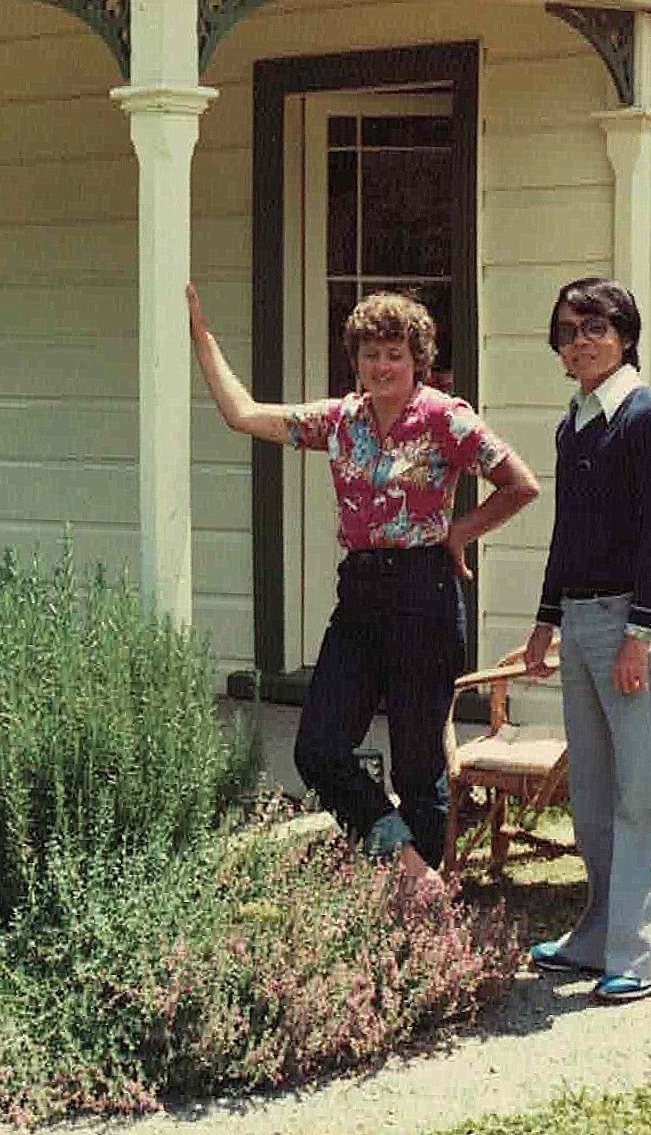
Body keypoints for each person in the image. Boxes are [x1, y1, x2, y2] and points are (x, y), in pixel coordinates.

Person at [187, 283, 538, 883]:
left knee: (417, 763)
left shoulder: (445, 419)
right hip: (360, 597)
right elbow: (242, 415)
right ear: (356, 360)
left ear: (417, 358)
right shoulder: (342, 420)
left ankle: (420, 911)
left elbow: (520, 484)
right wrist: (200, 335)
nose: (381, 366)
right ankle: (410, 869)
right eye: (370, 354)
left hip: (423, 595)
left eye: (394, 354)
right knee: (318, 748)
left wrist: (457, 535)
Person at [524, 277, 651, 1002]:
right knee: (590, 791)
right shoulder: (576, 423)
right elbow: (567, 534)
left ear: (624, 334)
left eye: (593, 328)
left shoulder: (648, 420)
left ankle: (649, 953)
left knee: (640, 791)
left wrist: (637, 634)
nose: (579, 341)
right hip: (581, 621)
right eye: (567, 331)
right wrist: (542, 622)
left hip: (629, 624)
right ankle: (597, 936)